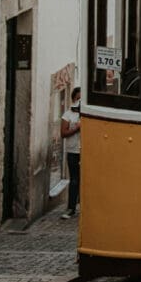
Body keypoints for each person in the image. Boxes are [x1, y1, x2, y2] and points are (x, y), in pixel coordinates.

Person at [60, 86, 82, 219]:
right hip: (73, 151)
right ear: (73, 99)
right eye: (78, 98)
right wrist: (76, 128)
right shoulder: (68, 115)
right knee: (74, 180)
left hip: (86, 150)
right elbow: (63, 133)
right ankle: (71, 208)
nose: (80, 101)